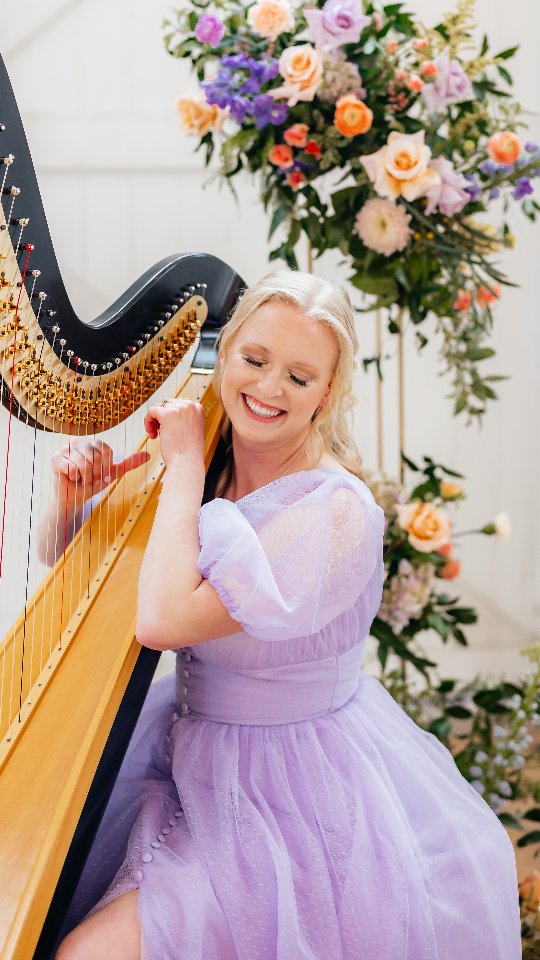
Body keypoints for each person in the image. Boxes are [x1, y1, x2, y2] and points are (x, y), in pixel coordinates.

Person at [52, 270, 521, 959]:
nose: (269, 388)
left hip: (290, 789)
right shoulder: (206, 461)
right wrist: (72, 499)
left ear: (326, 393)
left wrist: (181, 468)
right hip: (186, 755)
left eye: (300, 377)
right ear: (225, 353)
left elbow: (162, 623)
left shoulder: (335, 514)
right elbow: (92, 577)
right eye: (255, 359)